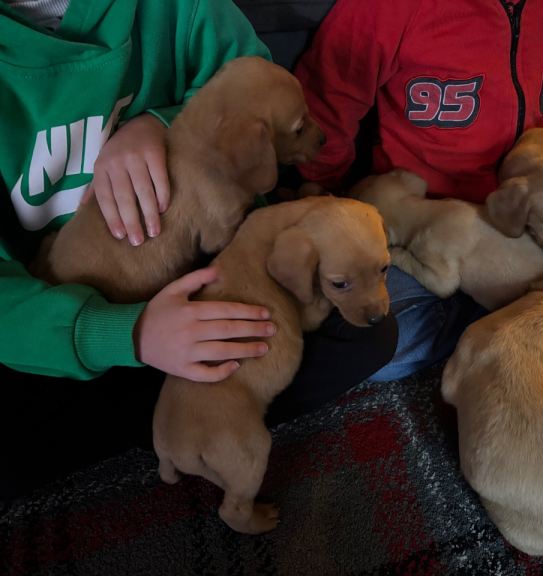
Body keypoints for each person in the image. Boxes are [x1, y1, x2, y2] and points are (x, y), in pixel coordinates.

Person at [0, 0, 397, 500]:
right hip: (55, 326)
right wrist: (129, 334)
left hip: (206, 273)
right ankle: (186, 422)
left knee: (365, 334)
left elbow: (261, 86)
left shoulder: (185, 10)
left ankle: (181, 422)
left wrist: (164, 125)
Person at [293, 0, 543, 380]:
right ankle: (530, 334)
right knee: (374, 348)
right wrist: (332, 201)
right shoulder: (386, 8)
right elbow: (326, 107)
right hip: (427, 232)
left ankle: (505, 332)